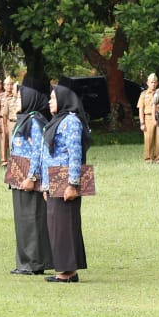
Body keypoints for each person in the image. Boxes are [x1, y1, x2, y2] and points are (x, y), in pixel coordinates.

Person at [40, 81, 92, 283]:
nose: (49, 101)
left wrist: (73, 184)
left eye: (53, 98)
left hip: (65, 182)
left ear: (63, 99)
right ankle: (66, 269)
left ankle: (67, 272)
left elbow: (75, 153)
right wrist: (45, 185)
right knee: (56, 226)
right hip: (54, 181)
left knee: (64, 226)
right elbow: (47, 155)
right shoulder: (56, 121)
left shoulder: (71, 121)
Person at [8, 83, 53, 276]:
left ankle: (34, 262)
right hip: (18, 172)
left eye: (18, 98)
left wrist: (32, 176)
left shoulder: (35, 121)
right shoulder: (24, 119)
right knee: (22, 220)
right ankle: (24, 261)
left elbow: (38, 151)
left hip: (29, 177)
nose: (15, 101)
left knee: (32, 219)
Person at [137, 73, 159, 163]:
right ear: (147, 83)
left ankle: (158, 158)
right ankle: (148, 158)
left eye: (155, 82)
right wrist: (142, 123)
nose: (153, 84)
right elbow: (141, 109)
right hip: (148, 118)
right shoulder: (143, 94)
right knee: (148, 139)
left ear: (157, 83)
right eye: (151, 82)